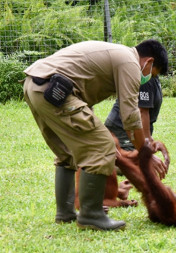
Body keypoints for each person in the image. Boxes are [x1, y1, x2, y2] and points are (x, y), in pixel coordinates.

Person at [22, 39, 168, 231]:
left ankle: (65, 213)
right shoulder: (130, 64)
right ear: (148, 62)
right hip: (54, 89)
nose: (149, 78)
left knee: (67, 152)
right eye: (153, 74)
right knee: (103, 146)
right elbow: (131, 117)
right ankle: (91, 215)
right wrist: (145, 152)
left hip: (36, 86)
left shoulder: (118, 54)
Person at [105, 75, 169, 176]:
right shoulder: (145, 79)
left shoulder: (153, 77)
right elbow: (142, 111)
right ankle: (107, 163)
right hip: (121, 128)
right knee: (140, 166)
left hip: (132, 128)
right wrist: (146, 146)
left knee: (144, 163)